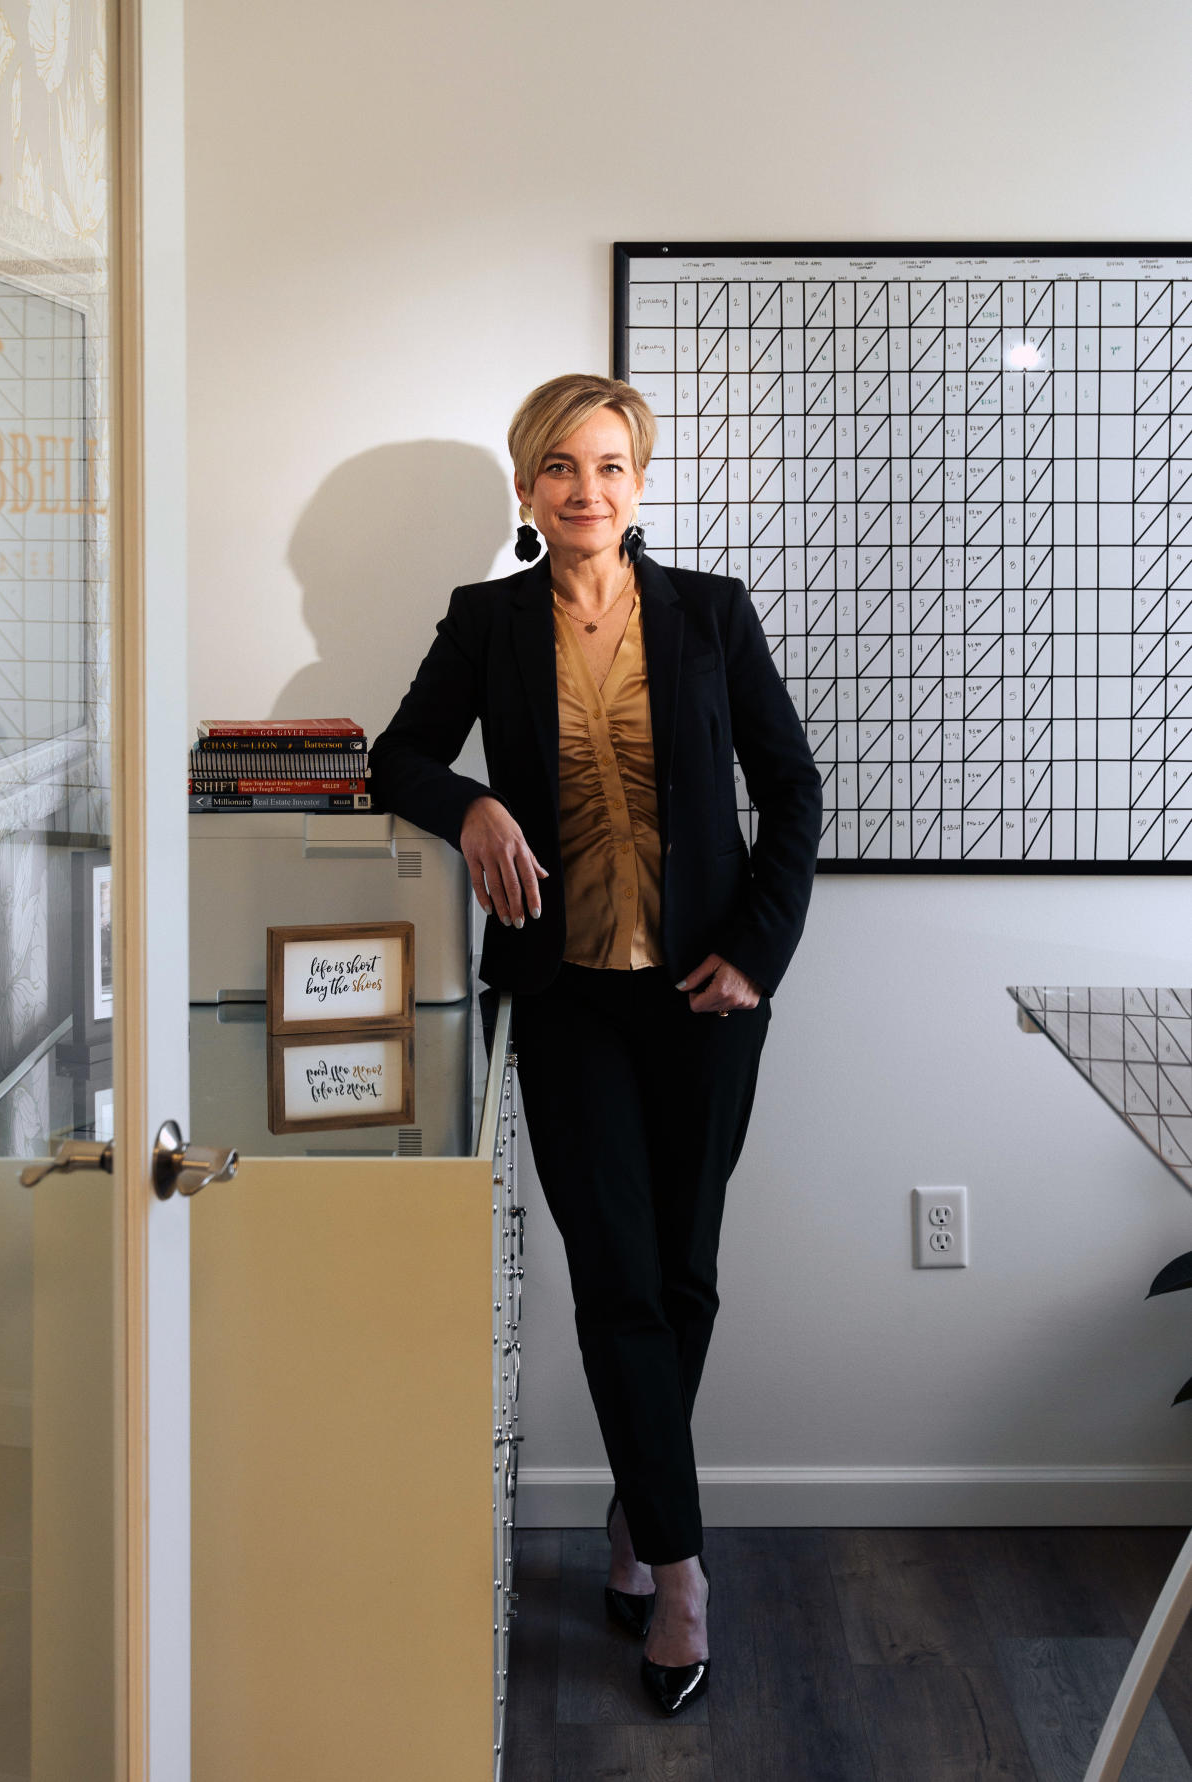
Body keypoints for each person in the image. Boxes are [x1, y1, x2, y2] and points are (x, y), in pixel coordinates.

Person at [368, 372, 822, 1716]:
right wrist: (471, 808)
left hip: (705, 993)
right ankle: (679, 1570)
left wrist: (758, 944)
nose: (586, 490)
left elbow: (789, 783)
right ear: (526, 489)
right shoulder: (486, 622)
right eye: (560, 467)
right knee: (617, 1273)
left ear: (640, 482)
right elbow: (395, 756)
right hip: (564, 997)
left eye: (611, 466)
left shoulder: (709, 615)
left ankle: (635, 1510)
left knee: (684, 1274)